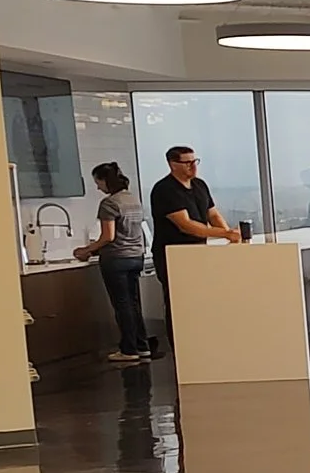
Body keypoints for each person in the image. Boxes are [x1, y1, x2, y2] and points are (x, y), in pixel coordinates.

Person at [71, 160, 151, 363]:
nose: (97, 186)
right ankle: (142, 346)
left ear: (105, 180)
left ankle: (128, 349)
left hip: (116, 259)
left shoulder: (109, 203)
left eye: (98, 181)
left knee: (122, 305)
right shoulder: (132, 199)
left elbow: (108, 236)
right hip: (136, 256)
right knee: (133, 304)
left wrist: (87, 250)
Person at [146, 144, 244, 296]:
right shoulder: (165, 189)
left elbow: (213, 214)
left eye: (195, 161)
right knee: (178, 300)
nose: (193, 166)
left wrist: (228, 233)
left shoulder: (200, 185)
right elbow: (186, 225)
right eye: (187, 163)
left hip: (198, 252)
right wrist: (224, 233)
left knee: (201, 297)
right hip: (174, 255)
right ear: (173, 165)